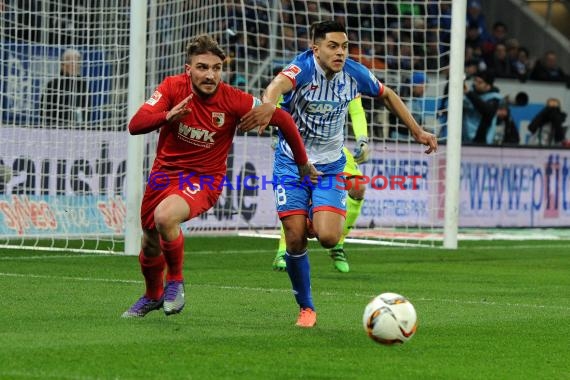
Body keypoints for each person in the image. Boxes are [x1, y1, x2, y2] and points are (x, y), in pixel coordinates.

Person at [239, 20, 438, 328]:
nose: (340, 53)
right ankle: (306, 308)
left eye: (344, 46)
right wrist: (268, 105)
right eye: (333, 46)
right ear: (315, 48)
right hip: (292, 163)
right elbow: (276, 86)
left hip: (331, 165)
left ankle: (307, 215)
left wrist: (417, 131)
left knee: (329, 237)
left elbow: (387, 94)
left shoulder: (355, 74)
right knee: (294, 239)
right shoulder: (302, 68)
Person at [122, 34, 319, 318]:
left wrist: (302, 164)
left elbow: (284, 119)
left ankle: (175, 283)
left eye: (216, 68)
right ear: (188, 69)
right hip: (164, 176)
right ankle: (152, 296)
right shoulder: (171, 88)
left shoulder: (233, 100)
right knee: (150, 239)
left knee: (165, 217)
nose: (210, 74)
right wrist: (166, 116)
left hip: (204, 179)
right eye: (202, 67)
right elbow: (135, 124)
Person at [272, 95, 370, 273]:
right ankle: (283, 251)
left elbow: (356, 110)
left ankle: (337, 245)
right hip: (299, 144)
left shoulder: (350, 78)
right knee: (298, 193)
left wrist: (362, 139)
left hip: (332, 149)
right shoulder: (300, 72)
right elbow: (279, 99)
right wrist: (277, 131)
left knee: (357, 186)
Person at [41, 48, 89, 126]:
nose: (76, 66)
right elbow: (45, 110)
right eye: (72, 63)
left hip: (79, 129)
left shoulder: (83, 85)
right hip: (56, 129)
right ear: (63, 65)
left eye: (77, 62)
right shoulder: (53, 85)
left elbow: (87, 109)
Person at [462, 70, 502, 144]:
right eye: (475, 81)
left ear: (488, 86)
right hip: (464, 138)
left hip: (482, 140)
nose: (475, 84)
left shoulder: (494, 98)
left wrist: (469, 94)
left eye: (479, 82)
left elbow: (488, 112)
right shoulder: (468, 94)